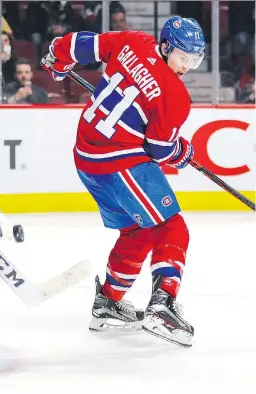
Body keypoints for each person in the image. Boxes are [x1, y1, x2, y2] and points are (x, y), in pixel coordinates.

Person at [41, 16, 205, 348]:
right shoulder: (175, 96)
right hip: (119, 161)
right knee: (172, 228)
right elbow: (158, 149)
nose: (187, 66)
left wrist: (58, 57)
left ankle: (109, 303)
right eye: (183, 58)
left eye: (194, 59)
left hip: (87, 156)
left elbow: (82, 44)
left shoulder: (134, 41)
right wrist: (182, 151)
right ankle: (163, 304)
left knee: (138, 231)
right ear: (165, 47)